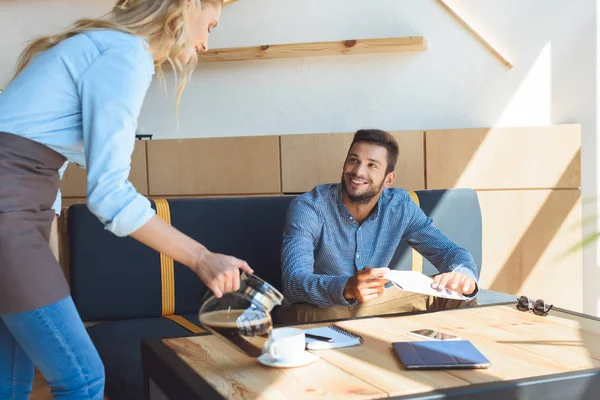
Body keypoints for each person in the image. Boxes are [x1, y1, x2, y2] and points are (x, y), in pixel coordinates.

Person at [0, 1, 253, 398]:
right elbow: (110, 195)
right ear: (187, 6)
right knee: (81, 378)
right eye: (211, 25)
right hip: (9, 216)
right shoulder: (125, 54)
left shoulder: (103, 47)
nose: (205, 42)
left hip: (16, 214)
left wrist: (48, 260)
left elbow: (49, 171)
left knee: (10, 380)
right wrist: (202, 258)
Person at [280, 129, 479, 324]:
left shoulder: (400, 206)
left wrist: (464, 279)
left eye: (372, 165)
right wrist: (346, 288)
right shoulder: (309, 207)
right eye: (354, 160)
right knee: (299, 316)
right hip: (319, 310)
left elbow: (451, 252)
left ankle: (453, 355)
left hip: (374, 305)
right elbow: (293, 281)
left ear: (388, 179)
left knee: (454, 292)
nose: (358, 171)